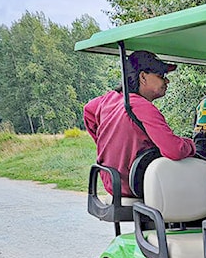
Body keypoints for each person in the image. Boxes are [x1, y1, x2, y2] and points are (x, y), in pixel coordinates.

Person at [83, 50, 195, 198]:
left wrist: (106, 143)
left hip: (112, 181)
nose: (166, 81)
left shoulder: (109, 99)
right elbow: (174, 150)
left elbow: (88, 111)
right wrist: (192, 145)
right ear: (143, 77)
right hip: (134, 185)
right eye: (161, 76)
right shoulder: (142, 107)